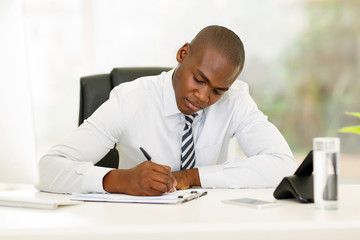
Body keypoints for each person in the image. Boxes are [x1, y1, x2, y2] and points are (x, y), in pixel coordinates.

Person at [37, 25, 296, 196]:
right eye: (199, 80)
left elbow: (282, 164)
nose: (204, 96)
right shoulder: (130, 100)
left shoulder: (236, 99)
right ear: (182, 54)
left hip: (209, 224)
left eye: (217, 91)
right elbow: (49, 168)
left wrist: (192, 176)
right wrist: (120, 180)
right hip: (138, 227)